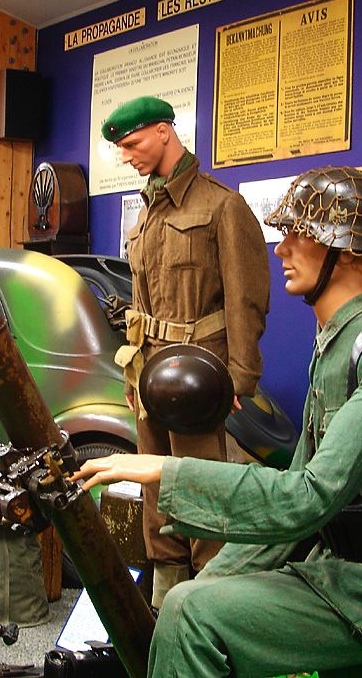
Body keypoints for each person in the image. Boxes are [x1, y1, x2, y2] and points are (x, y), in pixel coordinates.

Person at [73, 166, 362, 677]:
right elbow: (301, 490)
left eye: (300, 235)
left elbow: (306, 497)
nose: (282, 249)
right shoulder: (339, 349)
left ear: (344, 250)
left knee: (192, 614)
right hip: (348, 564)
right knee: (195, 594)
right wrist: (219, 572)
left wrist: (167, 473)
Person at [101, 96, 270, 607]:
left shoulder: (221, 205)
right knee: (157, 495)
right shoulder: (148, 214)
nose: (126, 155)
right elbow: (139, 305)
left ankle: (208, 607)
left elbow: (246, 299)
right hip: (151, 372)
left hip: (199, 372)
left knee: (201, 493)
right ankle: (164, 604)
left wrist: (238, 379)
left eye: (132, 143)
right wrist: (134, 379)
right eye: (121, 148)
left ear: (164, 132)